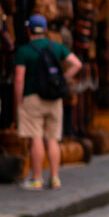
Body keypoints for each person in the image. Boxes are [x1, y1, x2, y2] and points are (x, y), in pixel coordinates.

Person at [14, 14, 82, 190]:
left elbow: (19, 79)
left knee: (36, 138)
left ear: (29, 30)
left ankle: (37, 178)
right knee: (53, 139)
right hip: (54, 98)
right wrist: (61, 79)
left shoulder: (24, 50)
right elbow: (77, 64)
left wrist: (18, 100)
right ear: (44, 30)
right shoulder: (56, 47)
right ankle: (55, 177)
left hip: (32, 97)